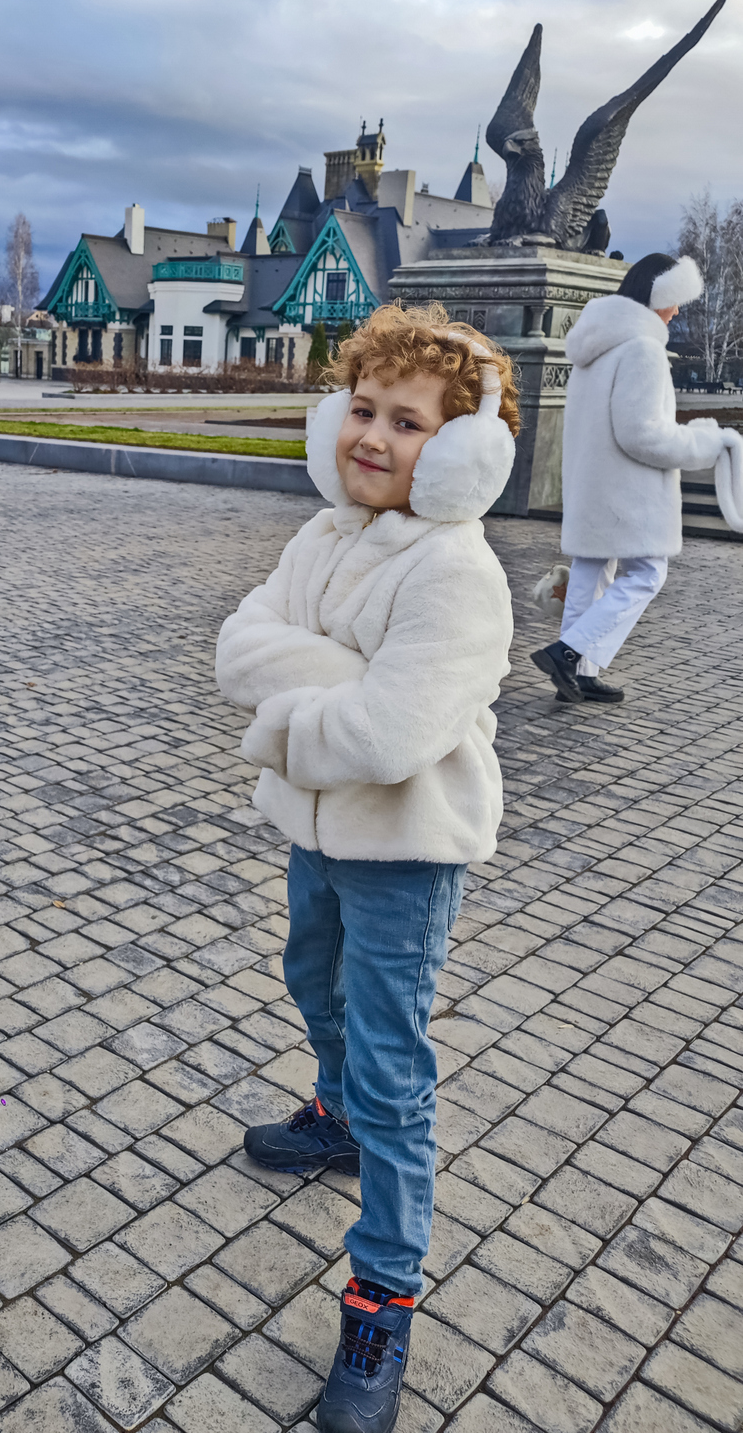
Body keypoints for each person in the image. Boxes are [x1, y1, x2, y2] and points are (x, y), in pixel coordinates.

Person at [216, 302, 516, 1433]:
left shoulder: (456, 572)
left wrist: (295, 706)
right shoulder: (324, 533)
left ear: (461, 451)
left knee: (395, 1068)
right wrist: (342, 679)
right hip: (315, 831)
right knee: (308, 976)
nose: (373, 437)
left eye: (407, 421)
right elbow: (237, 646)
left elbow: (391, 735)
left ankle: (382, 1293)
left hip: (404, 851)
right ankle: (334, 1116)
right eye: (362, 408)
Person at [532, 253, 732, 704]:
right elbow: (642, 434)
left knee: (589, 574)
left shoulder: (596, 344)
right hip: (630, 490)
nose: (676, 311)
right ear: (658, 297)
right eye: (674, 301)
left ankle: (577, 673)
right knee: (648, 572)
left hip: (592, 484)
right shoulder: (643, 348)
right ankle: (569, 653)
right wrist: (703, 442)